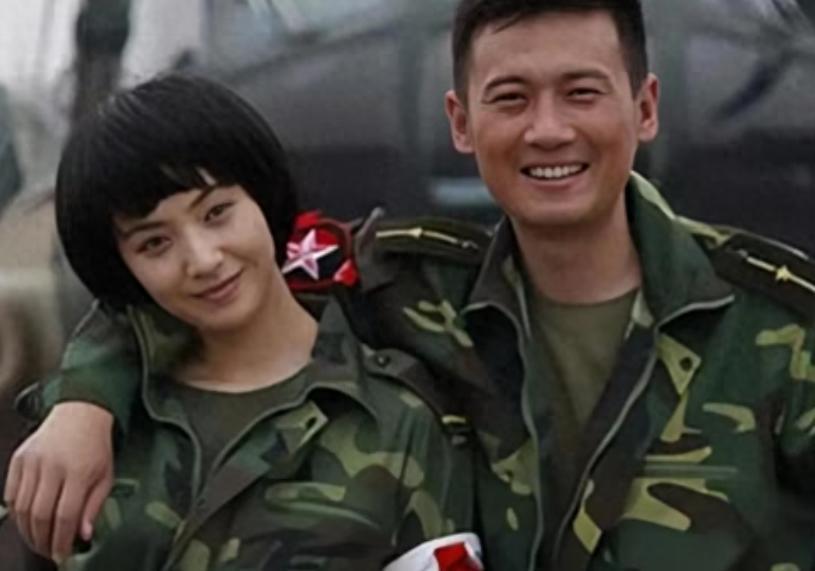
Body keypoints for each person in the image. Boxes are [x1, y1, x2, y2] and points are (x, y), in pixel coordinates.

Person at [8, 0, 815, 569]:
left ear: (644, 107)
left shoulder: (777, 324)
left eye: (581, 92)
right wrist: (85, 402)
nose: (547, 129)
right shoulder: (412, 282)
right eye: (509, 98)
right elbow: (205, 274)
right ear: (461, 121)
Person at [2, 74, 481, 570]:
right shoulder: (91, 429)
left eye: (216, 213)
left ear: (261, 197)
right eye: (154, 243)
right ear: (123, 268)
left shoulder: (398, 419)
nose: (203, 259)